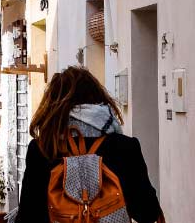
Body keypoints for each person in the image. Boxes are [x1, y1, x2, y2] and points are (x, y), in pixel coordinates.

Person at [16, 66, 163, 223]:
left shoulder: (42, 149)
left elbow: (28, 215)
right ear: (97, 99)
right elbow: (147, 212)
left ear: (53, 106)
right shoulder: (124, 147)